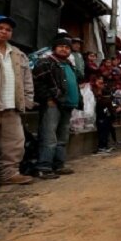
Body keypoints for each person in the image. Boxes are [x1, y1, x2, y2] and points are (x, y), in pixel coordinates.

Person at [33, 35, 83, 179]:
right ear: (54, 48)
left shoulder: (69, 65)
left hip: (67, 105)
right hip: (53, 104)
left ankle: (58, 165)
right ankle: (43, 166)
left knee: (62, 137)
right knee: (49, 136)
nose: (64, 49)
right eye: (60, 46)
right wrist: (48, 98)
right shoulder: (45, 62)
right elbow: (37, 83)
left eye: (67, 47)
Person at [0, 15, 34, 185]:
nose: (4, 32)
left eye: (8, 30)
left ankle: (9, 174)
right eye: (0, 28)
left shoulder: (18, 54)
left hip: (11, 105)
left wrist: (27, 99)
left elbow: (27, 79)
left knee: (14, 143)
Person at [92, 75, 117, 155]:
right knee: (103, 134)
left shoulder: (103, 100)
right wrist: (112, 115)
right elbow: (108, 110)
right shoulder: (104, 101)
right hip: (103, 119)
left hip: (103, 118)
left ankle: (103, 146)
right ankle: (102, 147)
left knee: (104, 133)